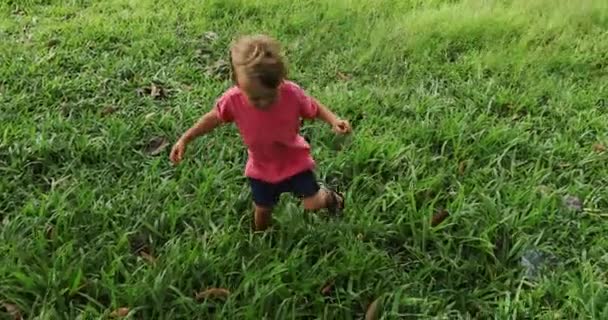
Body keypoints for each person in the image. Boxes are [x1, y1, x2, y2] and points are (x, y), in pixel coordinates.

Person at [170, 34, 352, 231]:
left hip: (295, 162)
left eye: (270, 96)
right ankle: (261, 239)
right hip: (261, 168)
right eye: (255, 99)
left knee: (312, 204)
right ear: (237, 83)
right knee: (262, 210)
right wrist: (185, 138)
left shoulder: (291, 93)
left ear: (280, 80)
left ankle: (330, 196)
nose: (263, 103)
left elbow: (314, 108)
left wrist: (333, 119)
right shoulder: (233, 100)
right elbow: (212, 118)